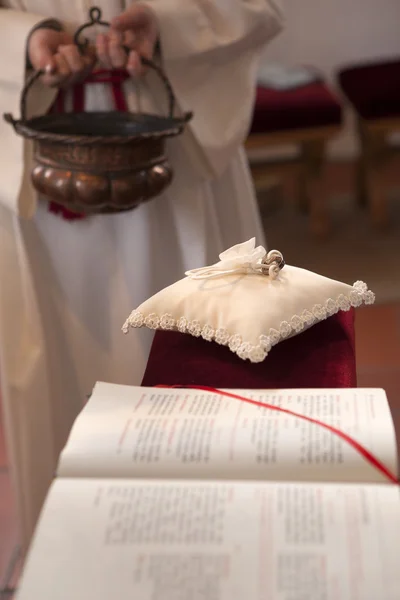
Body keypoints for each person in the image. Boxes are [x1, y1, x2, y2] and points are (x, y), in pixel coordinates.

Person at [0, 0, 284, 549]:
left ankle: (218, 555)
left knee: (207, 386)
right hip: (39, 167)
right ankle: (74, 561)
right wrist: (23, 38)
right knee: (64, 402)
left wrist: (170, 24)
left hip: (179, 158)